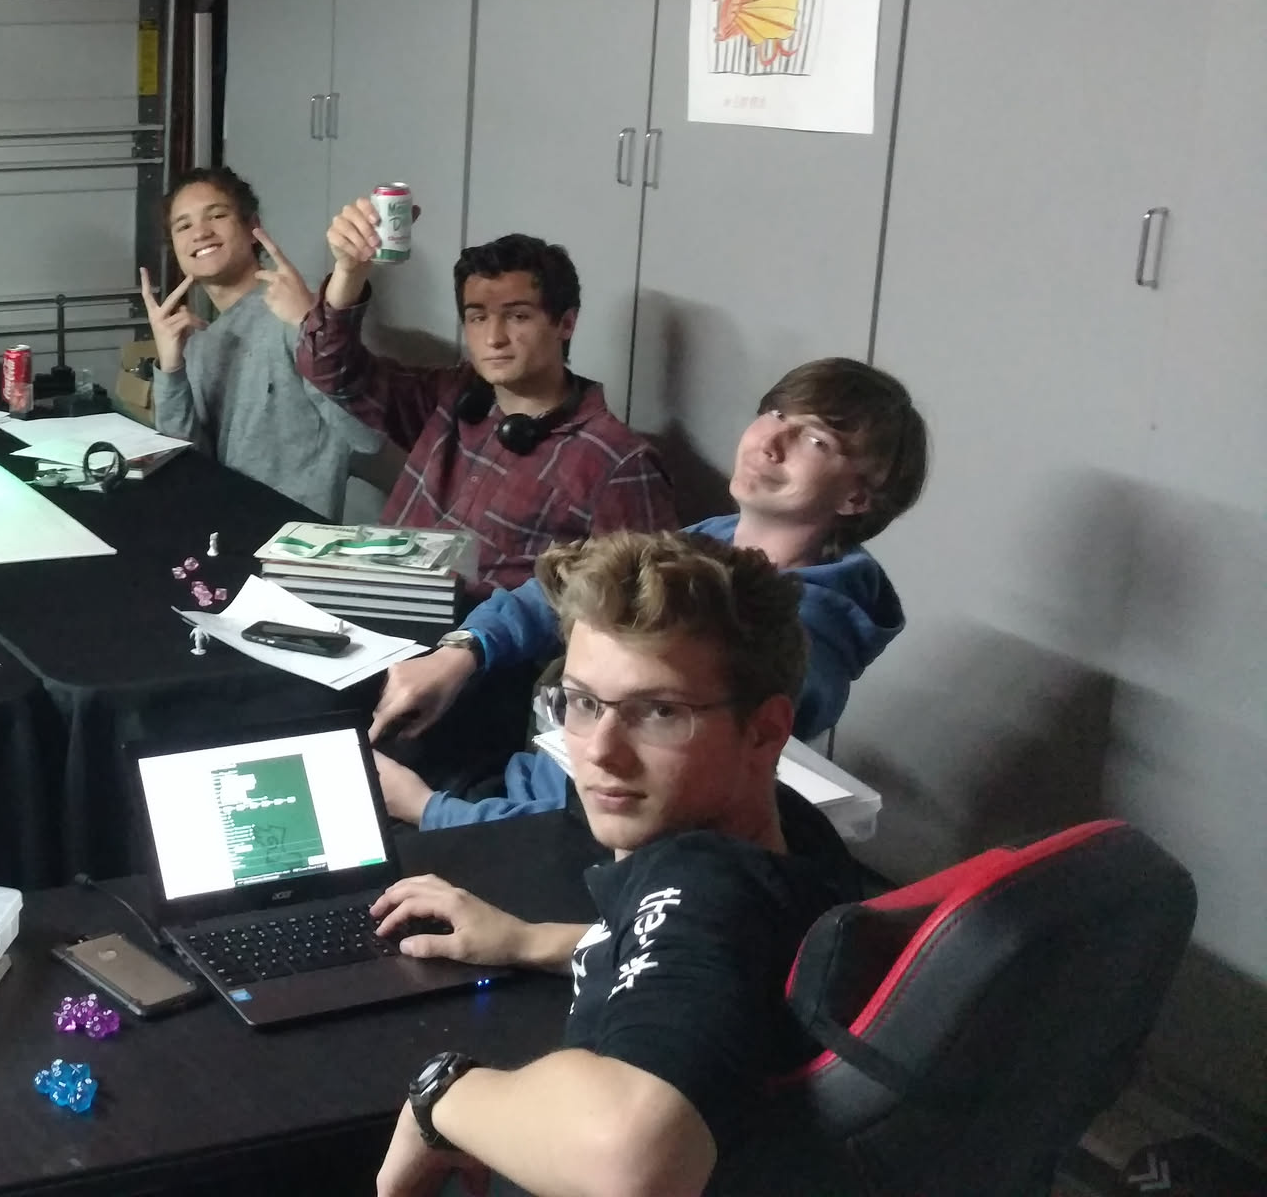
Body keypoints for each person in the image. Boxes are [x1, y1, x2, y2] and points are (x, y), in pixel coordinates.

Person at [369, 528, 860, 1197]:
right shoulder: (792, 834)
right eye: (583, 702)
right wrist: (530, 940)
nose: (599, 750)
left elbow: (632, 1160)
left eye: (658, 711)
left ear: (766, 729)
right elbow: (728, 958)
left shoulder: (703, 885)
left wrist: (442, 1097)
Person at [379, 358, 929, 827]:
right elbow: (565, 592)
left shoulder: (796, 635)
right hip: (517, 785)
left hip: (533, 826)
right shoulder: (711, 539)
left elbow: (618, 817)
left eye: (816, 440)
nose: (770, 442)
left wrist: (429, 811)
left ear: (857, 498)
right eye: (776, 414)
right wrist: (462, 652)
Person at [296, 197, 675, 594]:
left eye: (517, 316)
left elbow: (641, 611)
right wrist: (349, 272)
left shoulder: (617, 463)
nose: (493, 338)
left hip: (480, 631)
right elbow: (327, 367)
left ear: (565, 323)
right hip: (379, 599)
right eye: (477, 317)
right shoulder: (451, 396)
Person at [142, 167, 381, 517]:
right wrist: (171, 367)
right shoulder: (199, 342)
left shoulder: (296, 310)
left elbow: (367, 436)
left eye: (217, 215)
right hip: (224, 529)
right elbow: (188, 467)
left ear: (252, 226)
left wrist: (311, 328)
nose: (200, 233)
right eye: (183, 226)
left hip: (293, 537)